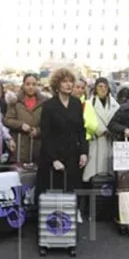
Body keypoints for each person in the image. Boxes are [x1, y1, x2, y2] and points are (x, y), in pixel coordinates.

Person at [37, 69, 87, 215]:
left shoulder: (76, 104)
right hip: (53, 156)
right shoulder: (49, 106)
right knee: (53, 192)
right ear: (57, 85)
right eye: (64, 81)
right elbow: (45, 135)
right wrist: (54, 159)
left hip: (73, 154)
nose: (69, 84)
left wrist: (84, 152)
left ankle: (70, 219)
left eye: (71, 81)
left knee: (71, 189)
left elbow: (81, 130)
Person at [4, 73, 47, 165]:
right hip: (19, 145)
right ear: (23, 85)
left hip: (37, 146)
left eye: (34, 84)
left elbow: (48, 124)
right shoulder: (15, 101)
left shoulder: (44, 102)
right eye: (28, 84)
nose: (31, 87)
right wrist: (21, 125)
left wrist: (38, 130)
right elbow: (7, 120)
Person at [82, 78, 119, 181]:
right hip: (95, 141)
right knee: (93, 173)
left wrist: (112, 130)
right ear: (95, 88)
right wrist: (100, 130)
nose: (103, 89)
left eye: (105, 87)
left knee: (109, 173)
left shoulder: (115, 105)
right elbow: (85, 121)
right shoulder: (89, 104)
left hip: (110, 141)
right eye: (100, 86)